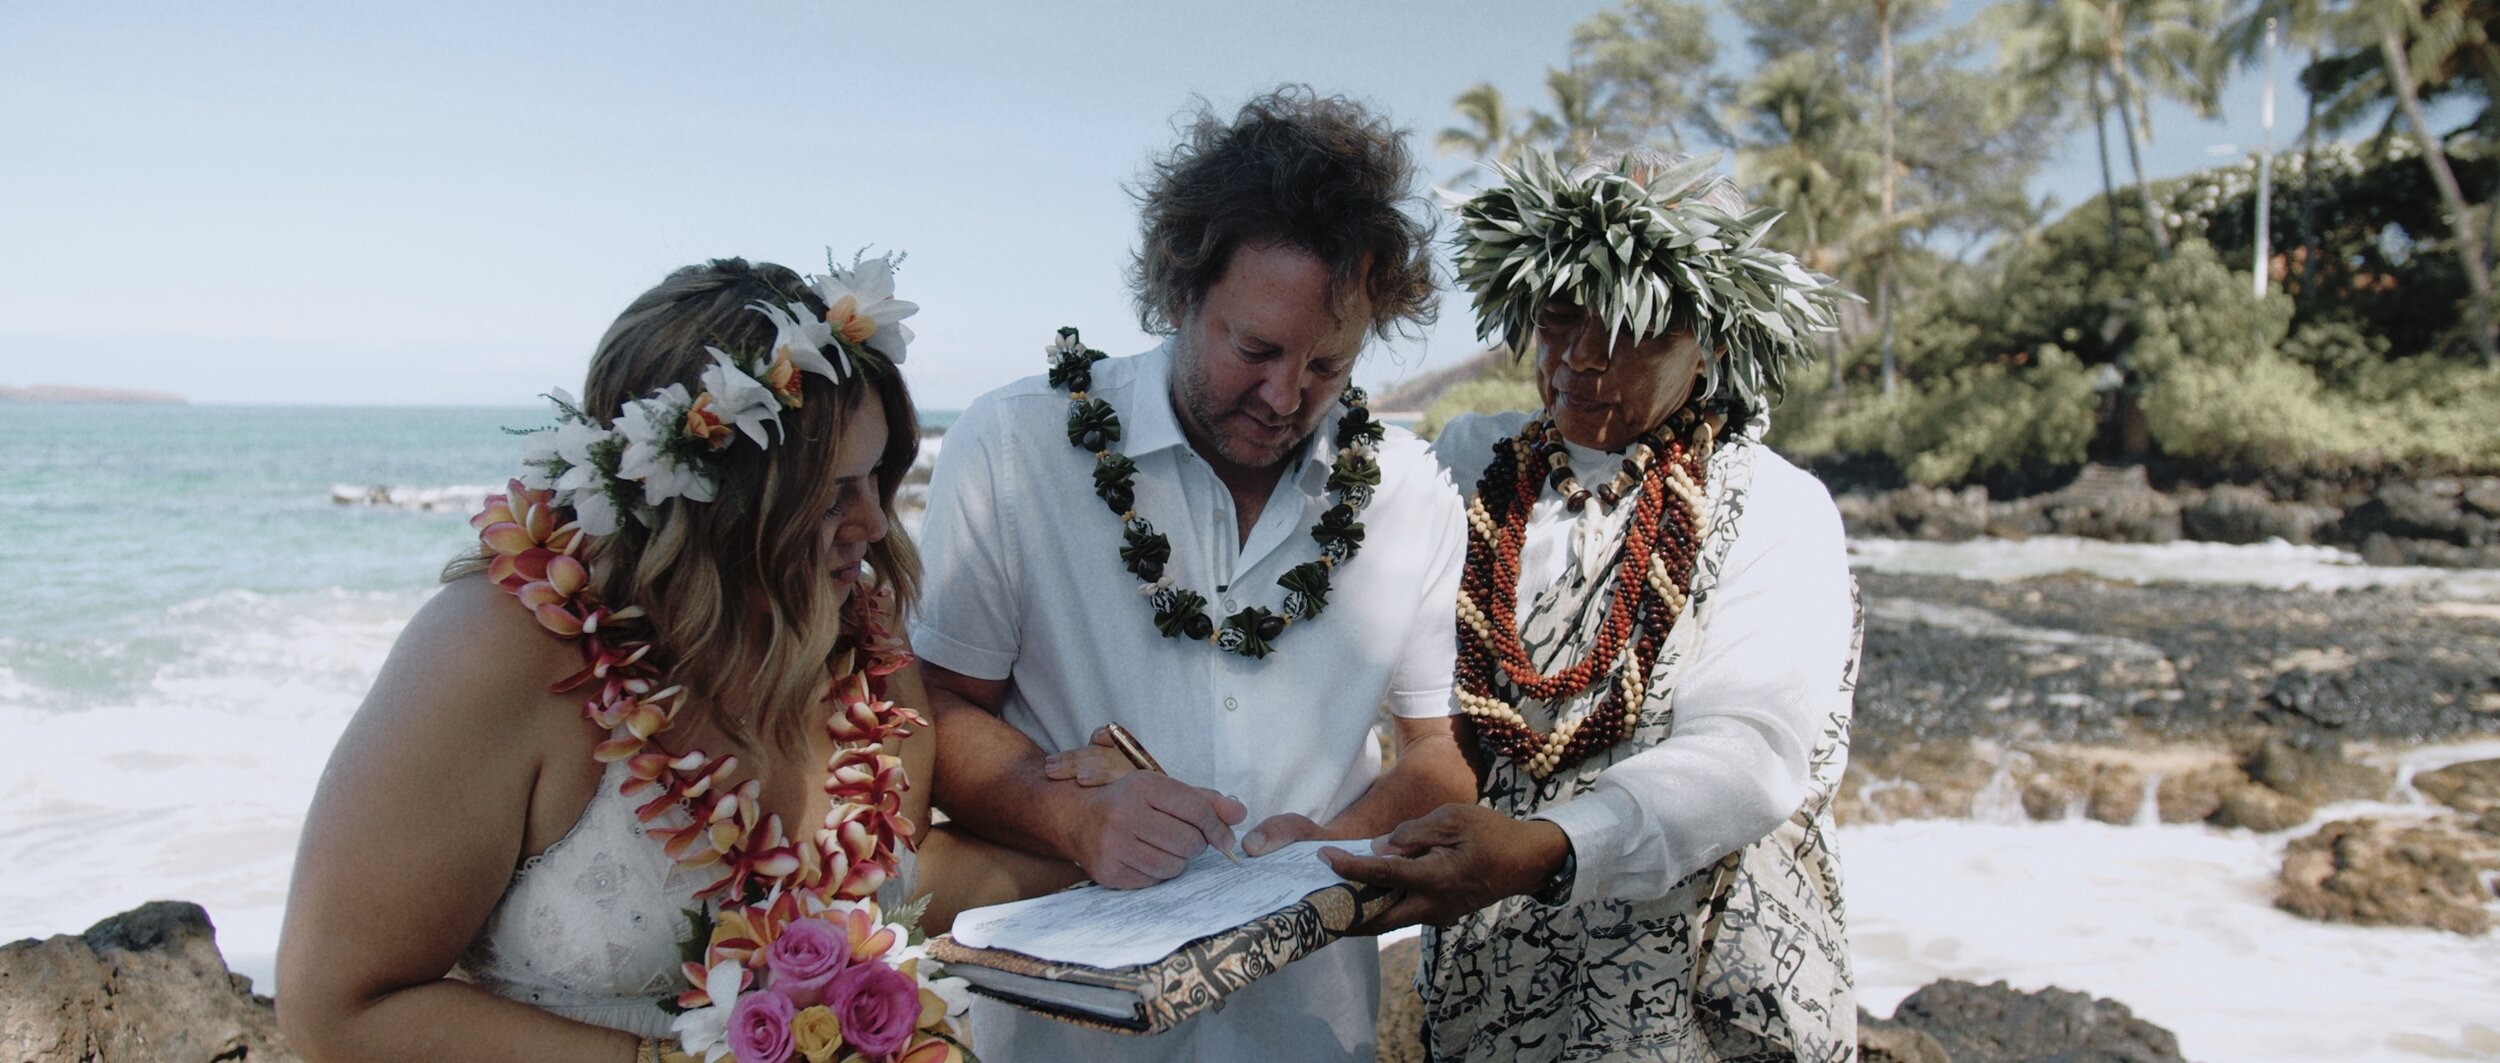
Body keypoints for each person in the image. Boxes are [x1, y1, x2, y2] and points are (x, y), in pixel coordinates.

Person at [276, 257, 976, 1063]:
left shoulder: (859, 644)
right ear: (708, 493)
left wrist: (1084, 836)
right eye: (828, 494)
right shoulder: (503, 649)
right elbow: (338, 1010)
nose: (874, 524)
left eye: (878, 478)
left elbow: (903, 881)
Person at [911, 86, 1476, 1062]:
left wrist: (1332, 847)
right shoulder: (1014, 447)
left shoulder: (1408, 493)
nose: (1285, 396)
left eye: (1327, 366)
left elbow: (1436, 753)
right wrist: (1070, 816)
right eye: (1254, 349)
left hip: (1309, 1026)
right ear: (1179, 291)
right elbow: (932, 710)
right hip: (1067, 1034)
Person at [1321, 149, 1864, 1061]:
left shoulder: (1776, 505)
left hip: (1698, 985)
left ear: (1715, 339)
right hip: (1499, 981)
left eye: (1632, 332)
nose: (1580, 361)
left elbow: (1752, 753)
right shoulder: (1470, 462)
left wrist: (1541, 846)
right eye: (1560, 320)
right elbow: (1315, 572)